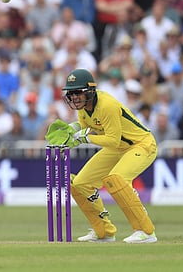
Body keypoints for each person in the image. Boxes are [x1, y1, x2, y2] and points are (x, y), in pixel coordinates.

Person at [45, 68, 158, 243]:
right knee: (80, 184)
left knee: (116, 178)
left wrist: (85, 138)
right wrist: (72, 132)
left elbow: (112, 140)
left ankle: (146, 231)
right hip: (118, 147)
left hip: (141, 144)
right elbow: (87, 129)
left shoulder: (107, 105)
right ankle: (104, 231)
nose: (74, 97)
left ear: (90, 91)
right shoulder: (83, 108)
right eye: (71, 93)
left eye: (77, 92)